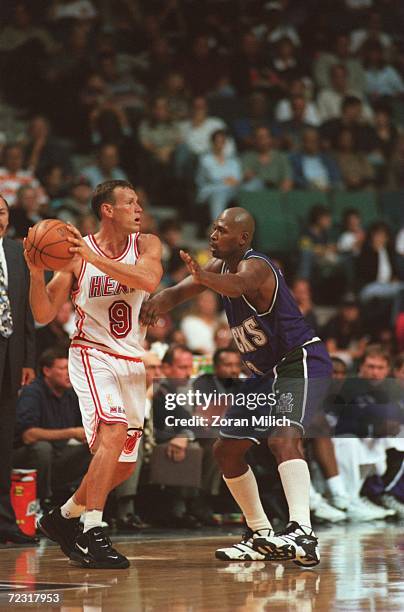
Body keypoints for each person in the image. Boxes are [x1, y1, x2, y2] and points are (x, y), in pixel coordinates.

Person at [141, 206, 332, 567]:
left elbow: (238, 286)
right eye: (212, 229)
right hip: (263, 374)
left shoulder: (256, 266)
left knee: (282, 438)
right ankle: (260, 533)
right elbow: (179, 292)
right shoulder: (217, 269)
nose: (213, 235)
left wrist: (203, 277)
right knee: (226, 450)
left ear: (242, 238)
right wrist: (154, 303)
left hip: (298, 360)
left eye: (221, 230)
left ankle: (303, 533)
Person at [24, 179, 162, 568]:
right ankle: (92, 531)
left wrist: (93, 257)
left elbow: (148, 280)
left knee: (125, 463)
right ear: (107, 209)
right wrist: (36, 273)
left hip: (133, 360)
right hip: (91, 353)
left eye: (138, 202)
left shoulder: (148, 244)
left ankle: (61, 517)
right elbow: (43, 314)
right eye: (129, 202)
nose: (138, 208)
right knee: (113, 432)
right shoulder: (72, 255)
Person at [0, 195, 36, 544]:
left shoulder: (16, 251)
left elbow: (25, 310)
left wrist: (28, 359)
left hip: (11, 356)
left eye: (1, 211)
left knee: (4, 440)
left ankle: (6, 521)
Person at [13, 348, 91, 510]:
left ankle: (82, 507)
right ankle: (37, 506)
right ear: (47, 371)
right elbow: (28, 435)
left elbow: (82, 428)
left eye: (70, 369)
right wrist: (72, 433)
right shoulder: (32, 392)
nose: (68, 374)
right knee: (42, 448)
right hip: (25, 457)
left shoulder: (71, 394)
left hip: (58, 455)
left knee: (96, 449)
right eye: (63, 368)